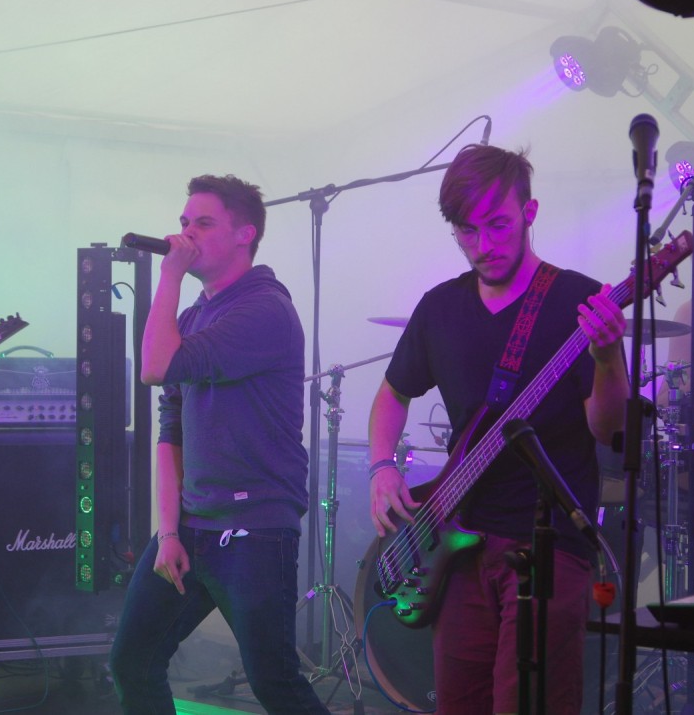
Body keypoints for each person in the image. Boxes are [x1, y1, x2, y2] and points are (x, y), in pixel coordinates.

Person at [367, 145, 628, 715]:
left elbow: (607, 429)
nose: (484, 245)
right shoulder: (440, 308)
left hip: (548, 545)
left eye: (498, 225)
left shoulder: (578, 300)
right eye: (467, 231)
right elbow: (392, 394)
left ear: (529, 212)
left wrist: (609, 358)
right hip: (460, 542)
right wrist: (382, 466)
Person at [109, 174, 330, 715]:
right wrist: (168, 531)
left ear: (244, 234)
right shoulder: (190, 318)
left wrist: (169, 275)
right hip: (193, 524)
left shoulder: (264, 309)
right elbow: (171, 432)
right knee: (132, 661)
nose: (186, 234)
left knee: (275, 683)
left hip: (255, 524)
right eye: (184, 222)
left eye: (203, 223)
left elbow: (155, 367)